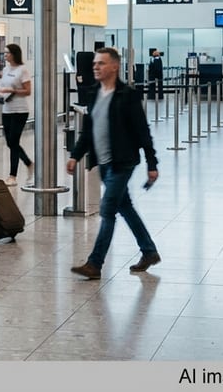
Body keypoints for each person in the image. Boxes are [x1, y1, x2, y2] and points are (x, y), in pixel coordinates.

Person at [67, 47, 161, 279]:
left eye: (101, 63)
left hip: (123, 161)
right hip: (104, 162)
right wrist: (75, 155)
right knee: (124, 206)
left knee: (107, 209)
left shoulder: (127, 95)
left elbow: (142, 132)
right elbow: (88, 131)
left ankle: (95, 263)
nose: (96, 67)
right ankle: (149, 251)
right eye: (95, 63)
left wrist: (152, 163)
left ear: (115, 66)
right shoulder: (93, 93)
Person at [0, 43, 33, 187]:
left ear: (14, 54)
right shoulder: (5, 69)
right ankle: (29, 163)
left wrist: (12, 91)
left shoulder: (22, 70)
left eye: (7, 53)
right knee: (10, 142)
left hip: (20, 110)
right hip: (7, 109)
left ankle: (12, 175)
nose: (5, 55)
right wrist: (2, 92)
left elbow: (28, 91)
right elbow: (2, 86)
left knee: (14, 141)